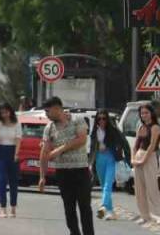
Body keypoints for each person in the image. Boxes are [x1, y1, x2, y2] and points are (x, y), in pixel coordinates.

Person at [39, 97, 93, 235]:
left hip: (80, 170)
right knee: (69, 208)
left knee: (85, 207)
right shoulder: (49, 128)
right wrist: (42, 176)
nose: (46, 114)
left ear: (57, 109)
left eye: (48, 111)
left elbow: (82, 140)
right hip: (63, 173)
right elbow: (44, 152)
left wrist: (60, 149)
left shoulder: (77, 120)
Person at [88, 109, 127, 221]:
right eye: (99, 119)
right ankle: (111, 212)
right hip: (98, 159)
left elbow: (123, 143)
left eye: (104, 118)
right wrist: (90, 163)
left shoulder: (113, 130)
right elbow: (92, 148)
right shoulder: (95, 131)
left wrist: (125, 158)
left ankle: (103, 206)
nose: (101, 121)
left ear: (107, 119)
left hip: (110, 158)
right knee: (103, 184)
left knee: (107, 184)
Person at [0, 102, 21, 218]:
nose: (4, 115)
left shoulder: (16, 123)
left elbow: (18, 139)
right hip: (0, 152)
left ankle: (13, 207)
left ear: (10, 111)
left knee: (13, 182)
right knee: (1, 181)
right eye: (2, 112)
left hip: (12, 151)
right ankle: (3, 209)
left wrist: (16, 154)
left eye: (6, 112)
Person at [132, 102, 160, 226]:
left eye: (146, 113)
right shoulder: (140, 127)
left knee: (152, 187)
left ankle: (158, 214)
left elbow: (152, 145)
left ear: (151, 113)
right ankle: (145, 216)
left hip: (150, 157)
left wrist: (143, 160)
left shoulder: (155, 127)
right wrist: (133, 159)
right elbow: (135, 145)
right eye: (142, 113)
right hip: (139, 156)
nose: (144, 115)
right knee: (139, 189)